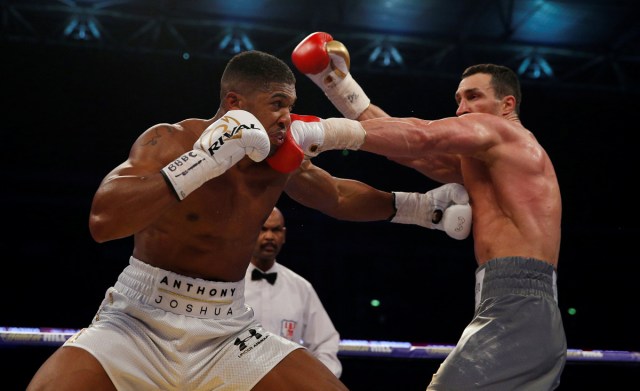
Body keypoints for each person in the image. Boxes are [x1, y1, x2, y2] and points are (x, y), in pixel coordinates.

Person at [26, 49, 472, 390]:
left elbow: (335, 195)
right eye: (277, 103)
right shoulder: (171, 140)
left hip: (226, 324)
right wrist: (202, 163)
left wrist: (421, 208)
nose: (286, 117)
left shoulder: (280, 158)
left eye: (290, 105)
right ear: (235, 101)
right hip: (138, 318)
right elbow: (103, 221)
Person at [291, 32, 567, 390]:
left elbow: (423, 135)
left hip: (517, 309)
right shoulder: (489, 162)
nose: (461, 108)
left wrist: (321, 132)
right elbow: (407, 147)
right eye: (458, 99)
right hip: (517, 306)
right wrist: (335, 82)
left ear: (507, 104)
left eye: (473, 96)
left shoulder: (507, 135)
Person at [245, 206, 342, 378]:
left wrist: (318, 382)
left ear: (283, 235)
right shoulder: (230, 285)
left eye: (275, 230)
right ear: (250, 232)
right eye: (263, 229)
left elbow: (325, 342)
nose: (269, 236)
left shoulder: (301, 287)